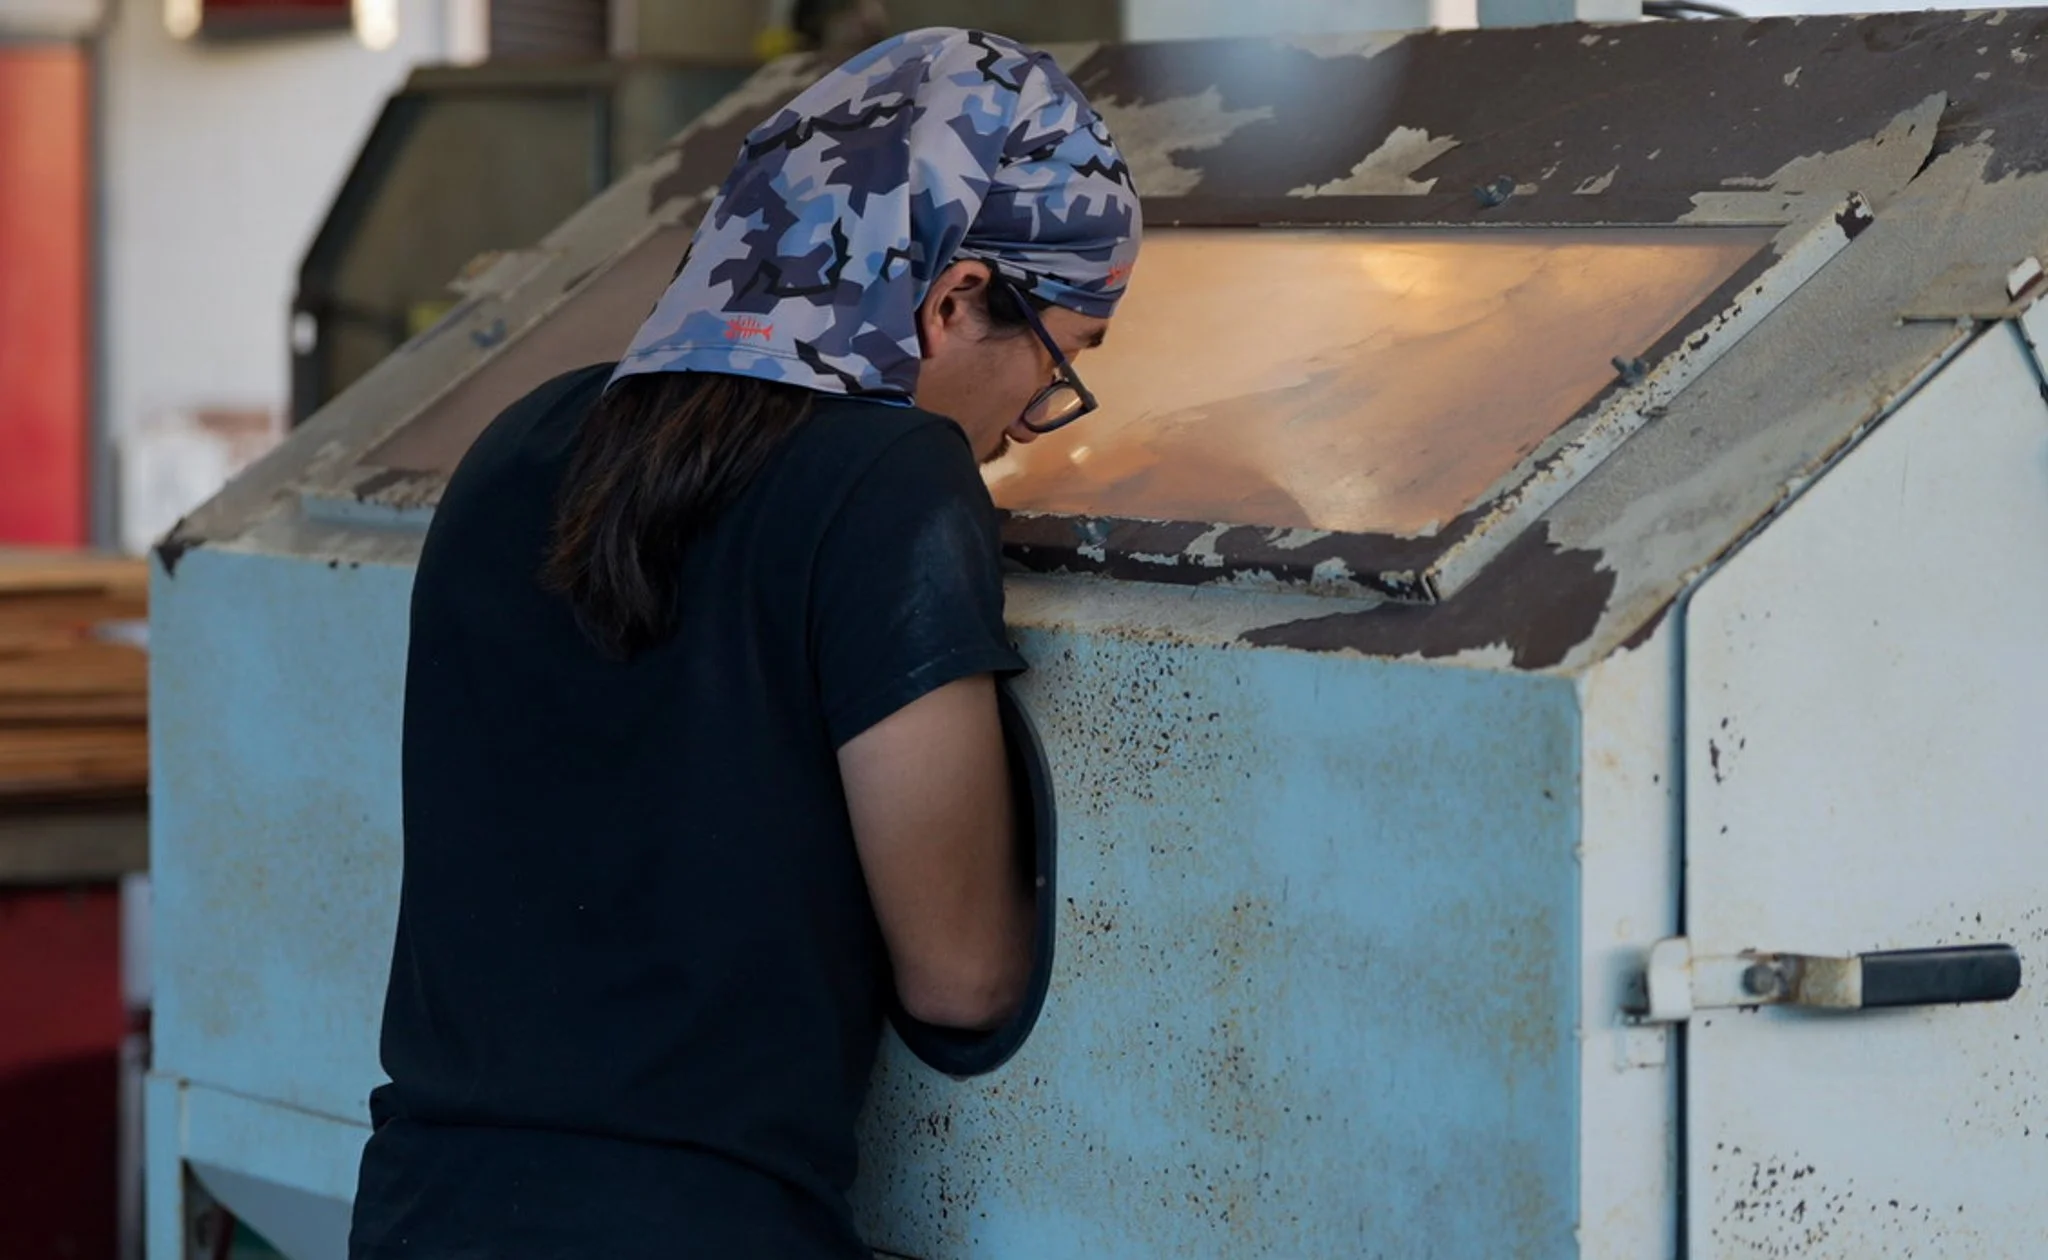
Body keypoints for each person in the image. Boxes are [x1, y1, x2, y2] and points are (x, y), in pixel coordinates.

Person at [347, 27, 1141, 1260]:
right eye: (1057, 365)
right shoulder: (890, 480)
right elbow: (963, 978)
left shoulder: (518, 445)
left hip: (424, 1209)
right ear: (952, 299)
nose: (1029, 425)